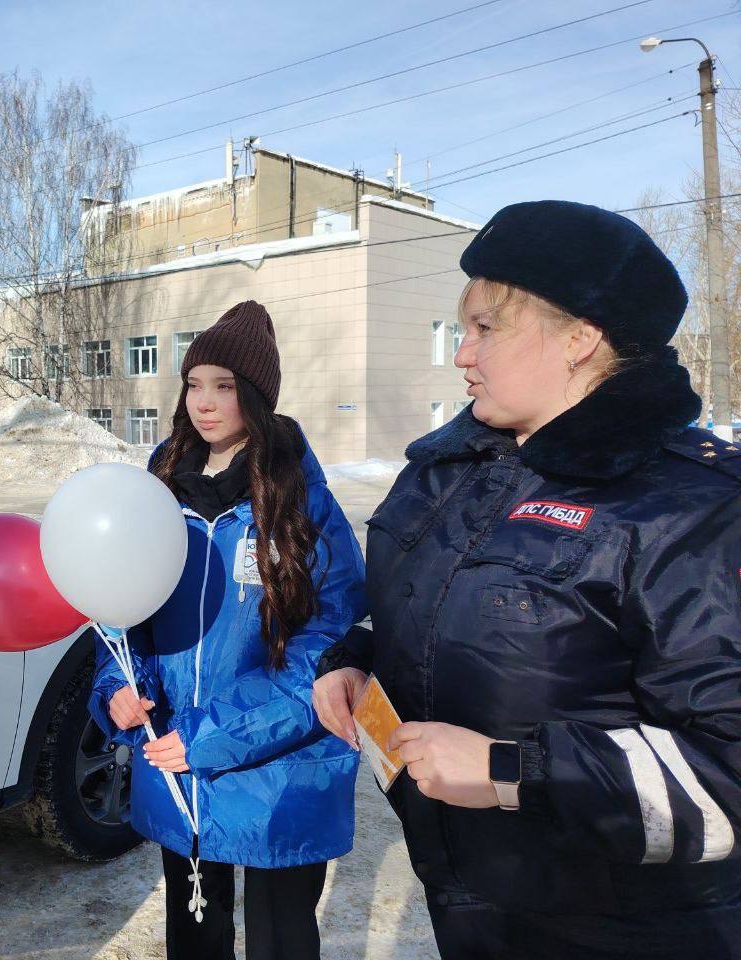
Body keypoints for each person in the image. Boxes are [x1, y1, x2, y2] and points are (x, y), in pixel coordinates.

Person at [313, 200, 741, 959]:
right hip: (471, 903)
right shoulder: (450, 469)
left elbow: (728, 771)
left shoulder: (691, 507)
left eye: (487, 327)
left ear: (581, 337)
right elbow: (427, 604)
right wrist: (355, 658)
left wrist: (511, 772)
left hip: (624, 932)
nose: (461, 354)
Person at [89, 301, 366, 960]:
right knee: (195, 939)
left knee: (280, 942)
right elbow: (121, 612)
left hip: (281, 770)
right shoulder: (158, 489)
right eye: (193, 384)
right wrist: (119, 692)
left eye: (225, 386)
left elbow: (331, 642)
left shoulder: (299, 497)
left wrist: (212, 735)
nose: (204, 403)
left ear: (259, 398)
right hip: (179, 765)